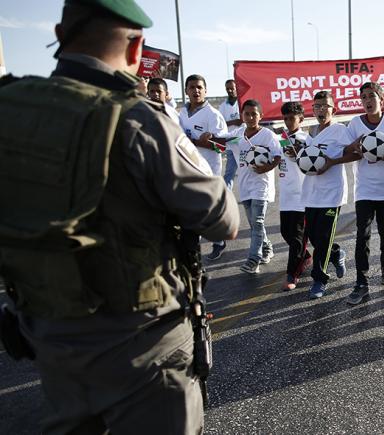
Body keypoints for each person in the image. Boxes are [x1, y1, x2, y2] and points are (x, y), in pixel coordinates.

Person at [0, 0, 240, 433]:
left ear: (58, 34)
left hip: (48, 328)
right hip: (140, 338)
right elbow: (222, 218)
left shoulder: (10, 107)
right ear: (136, 49)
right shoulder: (137, 119)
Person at [345, 82, 384, 305]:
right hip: (364, 188)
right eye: (363, 97)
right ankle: (361, 282)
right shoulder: (355, 124)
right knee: (363, 234)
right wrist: (356, 146)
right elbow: (345, 150)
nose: (367, 101)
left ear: (381, 100)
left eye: (371, 96)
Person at [302, 90, 359, 299]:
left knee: (323, 237)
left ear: (333, 109)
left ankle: (319, 279)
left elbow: (355, 152)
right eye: (317, 106)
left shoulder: (339, 131)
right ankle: (336, 253)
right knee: (316, 238)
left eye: (325, 106)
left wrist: (332, 161)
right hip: (311, 191)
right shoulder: (310, 130)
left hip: (332, 193)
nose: (321, 110)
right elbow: (308, 158)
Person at [225, 100, 281, 275]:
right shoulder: (237, 135)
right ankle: (267, 248)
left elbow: (278, 155)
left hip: (261, 186)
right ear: (242, 115)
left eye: (254, 114)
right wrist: (208, 136)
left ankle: (253, 259)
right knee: (255, 224)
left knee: (257, 222)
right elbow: (220, 140)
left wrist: (268, 167)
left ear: (261, 116)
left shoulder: (267, 135)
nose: (250, 117)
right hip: (245, 186)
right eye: (247, 114)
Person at [178, 74, 231, 260]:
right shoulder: (181, 114)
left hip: (208, 170)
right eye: (191, 87)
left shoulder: (213, 115)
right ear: (186, 91)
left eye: (199, 87)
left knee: (208, 210)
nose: (196, 90)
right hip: (187, 169)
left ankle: (218, 242)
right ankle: (192, 245)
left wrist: (201, 142)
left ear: (206, 90)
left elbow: (223, 145)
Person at [277, 101, 312, 291]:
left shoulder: (306, 139)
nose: (289, 121)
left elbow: (312, 162)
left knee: (298, 238)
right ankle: (306, 257)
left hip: (302, 196)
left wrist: (300, 153)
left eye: (292, 118)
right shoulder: (282, 138)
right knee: (286, 233)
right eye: (286, 118)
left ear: (301, 119)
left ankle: (292, 274)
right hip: (286, 195)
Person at [219, 79, 243, 190]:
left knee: (247, 172)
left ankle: (249, 196)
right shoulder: (223, 106)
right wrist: (234, 122)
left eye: (232, 88)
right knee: (230, 172)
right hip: (232, 142)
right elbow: (221, 123)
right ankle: (226, 196)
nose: (230, 90)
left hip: (244, 141)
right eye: (227, 88)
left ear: (236, 88)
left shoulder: (242, 102)